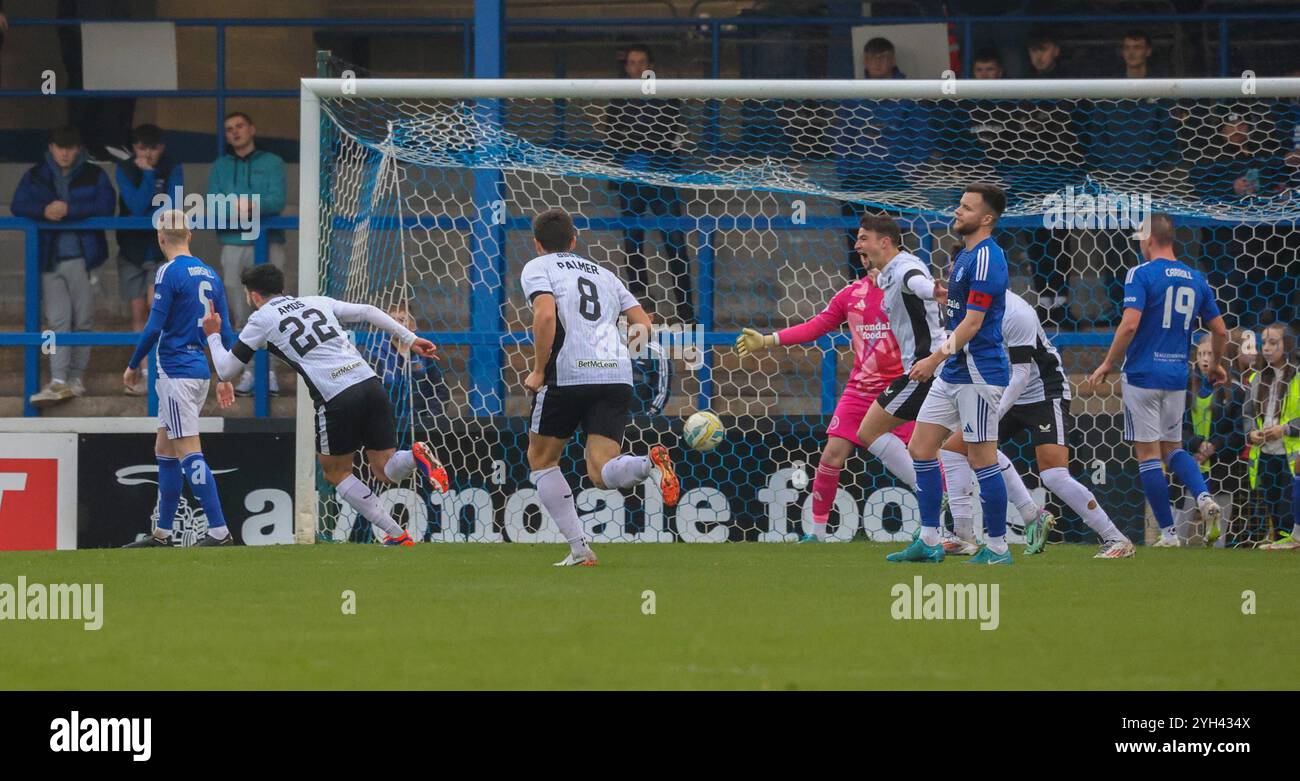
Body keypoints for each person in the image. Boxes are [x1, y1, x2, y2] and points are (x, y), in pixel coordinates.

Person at [202, 264, 447, 547]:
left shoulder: (261, 319)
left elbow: (226, 369)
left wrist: (213, 334)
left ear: (253, 295)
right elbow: (367, 311)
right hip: (370, 383)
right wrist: (411, 338)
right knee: (385, 468)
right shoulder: (315, 301)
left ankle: (397, 532)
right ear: (281, 287)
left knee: (336, 472)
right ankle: (414, 461)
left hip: (336, 396)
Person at [735, 215, 916, 543]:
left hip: (903, 389)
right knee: (831, 455)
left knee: (923, 458)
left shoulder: (908, 288)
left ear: (886, 246)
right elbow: (816, 326)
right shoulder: (851, 295)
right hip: (861, 390)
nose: (861, 253)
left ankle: (946, 520)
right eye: (859, 250)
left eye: (865, 244)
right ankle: (816, 533)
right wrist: (768, 340)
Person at [520, 208, 679, 567]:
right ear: (574, 241)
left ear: (537, 244)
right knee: (601, 470)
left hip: (570, 374)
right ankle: (646, 465)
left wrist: (538, 371)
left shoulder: (538, 267)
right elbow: (644, 324)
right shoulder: (606, 275)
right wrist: (617, 352)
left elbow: (545, 314)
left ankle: (579, 549)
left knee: (541, 459)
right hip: (615, 374)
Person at [942, 291, 1135, 558]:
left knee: (1054, 475)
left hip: (1044, 392)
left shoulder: (1017, 312)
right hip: (1001, 391)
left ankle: (1116, 539)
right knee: (955, 449)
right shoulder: (967, 309)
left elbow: (1021, 374)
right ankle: (969, 535)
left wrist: (991, 416)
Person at [888, 183, 1014, 565]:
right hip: (956, 370)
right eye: (959, 205)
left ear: (987, 218)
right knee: (921, 448)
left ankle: (997, 548)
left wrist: (933, 360)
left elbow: (973, 324)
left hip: (979, 373)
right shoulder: (965, 257)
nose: (957, 212)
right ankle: (928, 539)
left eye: (966, 207)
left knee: (982, 459)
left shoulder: (989, 258)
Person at [1087, 213, 1229, 548]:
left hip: (1142, 374)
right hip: (1177, 375)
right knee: (1174, 448)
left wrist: (1109, 361)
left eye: (1140, 238)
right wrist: (1216, 366)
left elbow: (1130, 324)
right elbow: (1220, 330)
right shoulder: (1196, 278)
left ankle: (1168, 534)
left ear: (1149, 239)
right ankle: (1205, 498)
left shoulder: (1140, 273)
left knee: (1149, 455)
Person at [121, 211, 235, 546]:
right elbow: (223, 327)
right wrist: (224, 373)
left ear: (160, 237)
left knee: (188, 451)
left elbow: (154, 326)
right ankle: (163, 532)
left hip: (175, 370)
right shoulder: (210, 273)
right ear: (189, 236)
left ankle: (219, 530)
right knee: (165, 448)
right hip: (198, 368)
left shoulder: (168, 271)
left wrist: (133, 363)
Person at [11, 125, 115, 407]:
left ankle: (76, 379)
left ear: (79, 148)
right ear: (51, 148)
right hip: (49, 259)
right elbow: (18, 204)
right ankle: (58, 380)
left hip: (84, 258)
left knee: (82, 321)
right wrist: (43, 211)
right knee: (57, 321)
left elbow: (106, 205)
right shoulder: (36, 174)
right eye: (60, 147)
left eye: (70, 147)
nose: (65, 152)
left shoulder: (94, 173)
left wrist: (70, 210)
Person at [596, 44, 694, 323]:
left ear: (651, 65)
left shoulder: (666, 97)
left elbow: (676, 136)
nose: (637, 67)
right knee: (632, 244)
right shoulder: (617, 100)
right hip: (632, 179)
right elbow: (613, 140)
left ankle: (686, 313)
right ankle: (643, 312)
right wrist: (626, 167)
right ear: (626, 67)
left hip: (662, 178)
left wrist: (657, 159)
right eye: (632, 62)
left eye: (642, 62)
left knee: (674, 243)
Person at [849, 216, 947, 493]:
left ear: (885, 242)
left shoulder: (904, 268)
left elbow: (916, 283)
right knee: (966, 447)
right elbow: (892, 278)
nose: (857, 246)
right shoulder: (890, 270)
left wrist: (934, 292)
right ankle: (1027, 511)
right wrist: (878, 276)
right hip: (936, 368)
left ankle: (929, 494)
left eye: (863, 239)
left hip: (925, 371)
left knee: (869, 431)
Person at [206, 111, 287, 395]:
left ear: (251, 129)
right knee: (240, 313)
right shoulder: (221, 166)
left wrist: (249, 204)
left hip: (267, 243)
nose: (235, 132)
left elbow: (277, 199)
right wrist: (238, 208)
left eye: (240, 126)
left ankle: (270, 375)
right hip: (233, 243)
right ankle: (250, 373)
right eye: (229, 129)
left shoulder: (272, 161)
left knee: (273, 311)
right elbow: (213, 205)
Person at [116, 123, 183, 396]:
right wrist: (147, 175)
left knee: (156, 309)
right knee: (137, 313)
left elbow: (170, 206)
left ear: (161, 147)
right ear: (134, 149)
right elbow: (135, 204)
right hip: (131, 251)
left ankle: (159, 371)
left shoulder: (173, 167)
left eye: (152, 148)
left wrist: (152, 178)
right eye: (142, 148)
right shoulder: (125, 168)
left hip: (160, 250)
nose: (148, 153)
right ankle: (143, 372)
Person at [1180, 334, 1247, 547]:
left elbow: (1239, 433)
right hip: (1192, 464)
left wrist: (1214, 446)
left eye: (1209, 353)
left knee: (1218, 534)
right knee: (1180, 528)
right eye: (1200, 354)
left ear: (1220, 357)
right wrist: (1197, 444)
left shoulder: (1235, 391)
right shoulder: (1186, 389)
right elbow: (1180, 427)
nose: (1204, 358)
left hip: (1221, 467)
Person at [1245, 324, 1300, 550]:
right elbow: (1247, 413)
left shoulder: (1297, 377)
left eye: (1273, 343)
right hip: (1265, 454)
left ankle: (1291, 541)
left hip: (1292, 454)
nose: (1266, 348)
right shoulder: (1256, 378)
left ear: (1286, 346)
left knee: (1288, 508)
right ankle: (1280, 543)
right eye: (1264, 343)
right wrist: (1251, 432)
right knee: (1272, 505)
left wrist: (1285, 429)